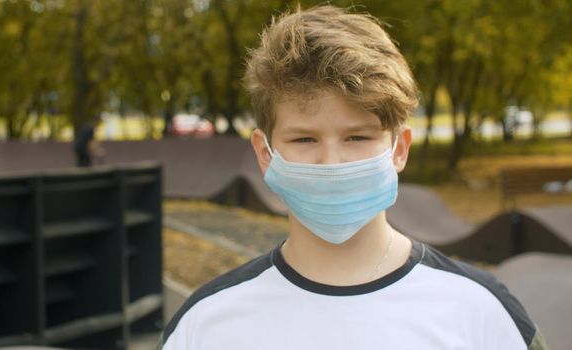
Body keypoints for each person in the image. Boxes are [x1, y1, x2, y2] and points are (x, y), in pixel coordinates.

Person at [160, 6, 548, 350]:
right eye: (305, 139)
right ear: (265, 154)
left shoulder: (482, 314)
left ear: (399, 149)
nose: (332, 163)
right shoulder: (206, 325)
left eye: (358, 137)